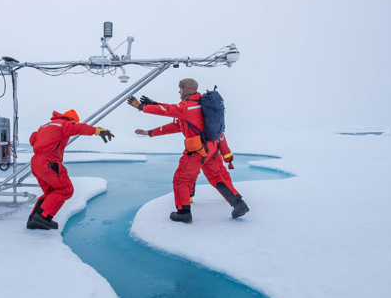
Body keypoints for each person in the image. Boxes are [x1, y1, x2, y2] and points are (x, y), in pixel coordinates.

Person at [128, 78, 249, 223]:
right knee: (216, 177)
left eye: (180, 88)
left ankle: (183, 212)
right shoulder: (200, 105)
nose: (179, 91)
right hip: (212, 148)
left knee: (181, 179)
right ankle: (238, 204)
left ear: (186, 90)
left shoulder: (187, 107)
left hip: (198, 149)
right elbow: (176, 125)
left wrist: (142, 107)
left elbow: (168, 110)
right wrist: (150, 132)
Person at [27, 109, 115, 230]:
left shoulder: (45, 126)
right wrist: (97, 130)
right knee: (65, 189)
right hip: (49, 162)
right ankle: (41, 217)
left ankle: (33, 219)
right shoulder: (64, 124)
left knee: (51, 192)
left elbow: (32, 139)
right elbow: (78, 128)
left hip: (36, 163)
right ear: (71, 119)